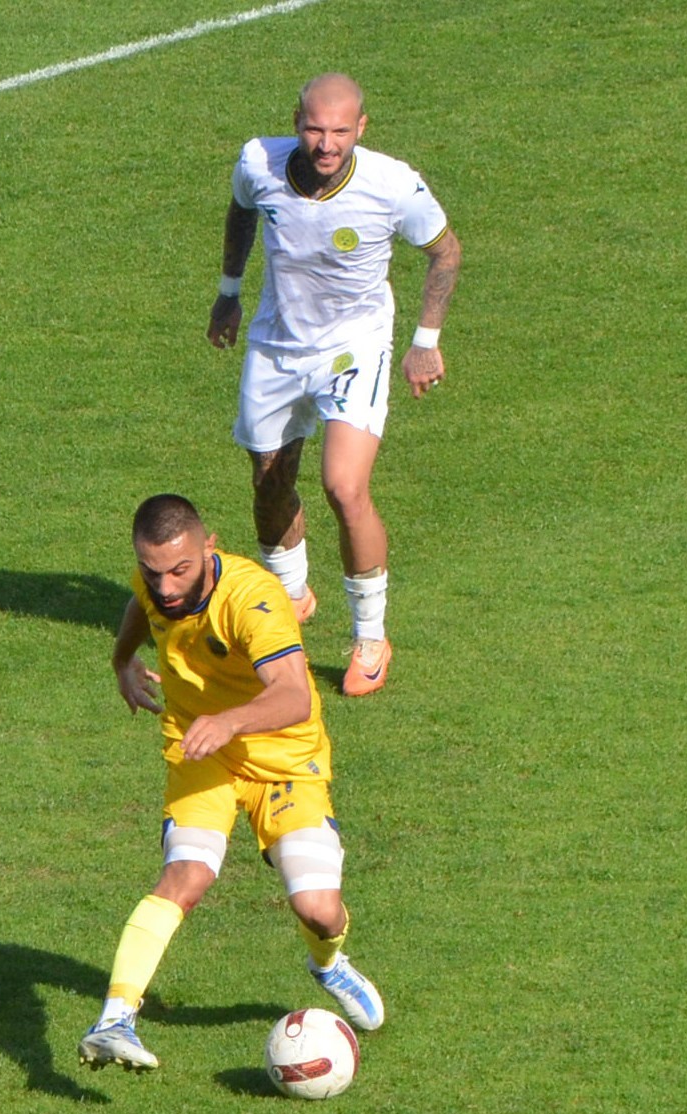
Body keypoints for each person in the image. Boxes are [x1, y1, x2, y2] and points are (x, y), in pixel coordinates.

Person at [78, 494, 384, 1073]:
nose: (165, 586)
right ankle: (114, 1019)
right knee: (186, 876)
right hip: (202, 752)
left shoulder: (251, 599)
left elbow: (294, 696)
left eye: (179, 570)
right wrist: (122, 661)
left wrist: (229, 722)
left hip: (283, 758)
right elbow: (141, 605)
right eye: (152, 570)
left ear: (209, 547)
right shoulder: (155, 581)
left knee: (319, 910)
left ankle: (328, 964)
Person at [206, 72, 462, 697]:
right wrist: (229, 293)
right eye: (315, 129)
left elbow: (446, 252)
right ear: (296, 121)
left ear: (361, 128)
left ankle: (370, 637)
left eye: (341, 131)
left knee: (344, 488)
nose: (327, 144)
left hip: (355, 346)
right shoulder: (258, 162)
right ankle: (288, 597)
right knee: (269, 481)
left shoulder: (392, 185)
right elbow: (242, 212)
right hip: (278, 344)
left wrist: (425, 342)